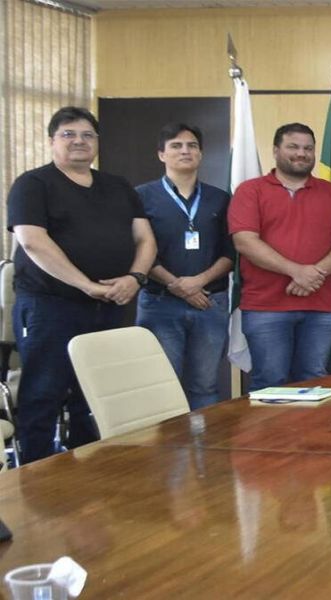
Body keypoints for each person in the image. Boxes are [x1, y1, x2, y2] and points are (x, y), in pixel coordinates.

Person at [7, 106, 156, 462]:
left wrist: (135, 278)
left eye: (87, 135)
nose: (79, 141)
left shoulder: (117, 186)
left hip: (113, 304)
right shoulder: (33, 184)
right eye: (68, 134)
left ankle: (90, 471)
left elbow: (145, 239)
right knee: (44, 391)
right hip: (50, 306)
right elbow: (33, 242)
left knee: (98, 393)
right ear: (51, 141)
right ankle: (34, 477)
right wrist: (86, 285)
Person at [227, 123, 331, 389]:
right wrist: (296, 271)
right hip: (265, 307)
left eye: (308, 148)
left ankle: (308, 434)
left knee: (313, 381)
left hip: (320, 306)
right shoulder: (250, 190)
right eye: (293, 147)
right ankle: (268, 434)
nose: (302, 153)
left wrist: (313, 273)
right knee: (270, 382)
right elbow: (245, 242)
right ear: (275, 150)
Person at [135, 123, 234, 410]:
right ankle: (165, 455)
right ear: (161, 155)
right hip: (160, 302)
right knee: (162, 386)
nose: (185, 151)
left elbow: (230, 253)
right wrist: (176, 285)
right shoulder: (141, 196)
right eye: (176, 146)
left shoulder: (220, 198)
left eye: (192, 145)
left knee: (205, 386)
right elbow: (139, 250)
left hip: (209, 302)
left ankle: (202, 453)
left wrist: (197, 282)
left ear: (201, 154)